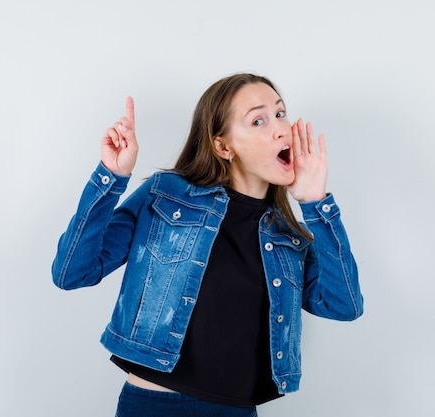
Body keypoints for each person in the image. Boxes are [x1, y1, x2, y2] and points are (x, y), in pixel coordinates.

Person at [52, 73, 364, 417]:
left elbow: (343, 305)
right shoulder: (165, 195)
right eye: (258, 120)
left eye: (280, 113)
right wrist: (110, 177)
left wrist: (315, 204)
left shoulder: (289, 236)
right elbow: (72, 272)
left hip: (237, 411)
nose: (280, 128)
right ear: (223, 146)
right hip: (155, 406)